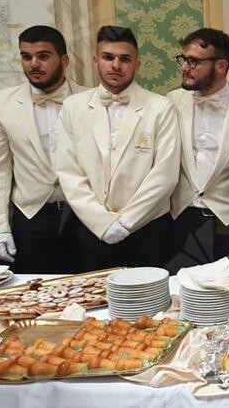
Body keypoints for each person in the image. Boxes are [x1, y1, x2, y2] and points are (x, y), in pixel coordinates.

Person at [57, 26, 181, 271]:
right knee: (94, 302)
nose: (116, 65)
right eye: (108, 57)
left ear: (137, 64)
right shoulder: (73, 107)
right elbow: (69, 171)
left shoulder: (160, 107)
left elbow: (165, 174)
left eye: (124, 59)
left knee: (148, 305)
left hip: (148, 229)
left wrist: (127, 222)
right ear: (96, 61)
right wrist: (101, 221)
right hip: (90, 228)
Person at [0, 25, 87, 273]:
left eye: (43, 56)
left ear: (64, 60)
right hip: (31, 216)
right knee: (35, 297)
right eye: (26, 56)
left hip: (86, 214)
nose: (33, 64)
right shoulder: (1, 103)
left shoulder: (91, 99)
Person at [165, 28, 229, 273]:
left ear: (221, 66)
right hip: (179, 220)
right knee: (181, 300)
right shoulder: (170, 103)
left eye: (194, 61)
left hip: (228, 222)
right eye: (184, 59)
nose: (185, 67)